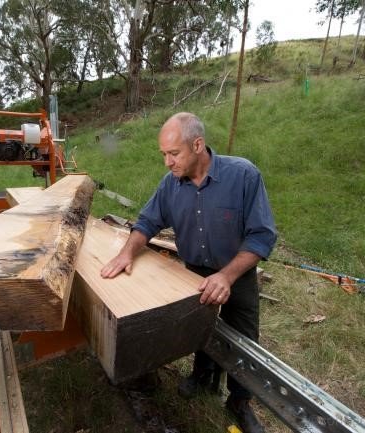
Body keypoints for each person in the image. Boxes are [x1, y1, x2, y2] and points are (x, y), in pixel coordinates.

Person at [100, 112, 277, 433]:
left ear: (198, 144)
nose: (167, 162)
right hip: (193, 272)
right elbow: (146, 222)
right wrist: (127, 252)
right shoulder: (171, 185)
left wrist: (227, 276)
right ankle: (202, 376)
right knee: (199, 330)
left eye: (174, 153)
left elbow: (262, 235)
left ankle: (239, 401)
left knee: (245, 340)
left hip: (236, 271)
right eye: (163, 155)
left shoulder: (243, 176)